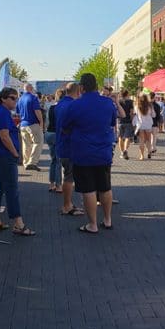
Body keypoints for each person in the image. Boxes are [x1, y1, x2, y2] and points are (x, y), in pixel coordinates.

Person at [59, 73, 117, 234]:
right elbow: (112, 123)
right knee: (105, 187)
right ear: (97, 86)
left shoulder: (75, 105)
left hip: (83, 153)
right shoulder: (108, 103)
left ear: (82, 88)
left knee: (89, 190)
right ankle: (107, 219)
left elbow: (65, 127)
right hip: (104, 152)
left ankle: (92, 224)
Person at [0, 87, 34, 236]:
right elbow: (4, 136)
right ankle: (18, 223)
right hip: (5, 156)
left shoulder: (1, 112)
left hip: (1, 156)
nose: (16, 100)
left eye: (17, 98)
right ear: (3, 98)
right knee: (12, 190)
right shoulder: (2, 113)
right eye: (13, 98)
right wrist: (15, 153)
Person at [55, 82, 84, 216]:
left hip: (62, 145)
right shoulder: (73, 105)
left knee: (68, 175)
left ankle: (69, 204)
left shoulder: (60, 104)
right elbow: (69, 127)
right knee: (69, 177)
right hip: (70, 147)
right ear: (78, 91)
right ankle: (67, 206)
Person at [17, 83, 44, 171]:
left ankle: (26, 163)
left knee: (26, 145)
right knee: (38, 142)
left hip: (23, 124)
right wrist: (41, 121)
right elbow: (37, 110)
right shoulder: (33, 98)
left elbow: (17, 112)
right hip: (33, 124)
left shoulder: (20, 99)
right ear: (31, 88)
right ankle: (32, 162)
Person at [44, 88, 64, 193]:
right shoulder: (63, 108)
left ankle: (51, 184)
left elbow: (48, 121)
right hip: (57, 135)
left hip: (49, 134)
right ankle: (59, 185)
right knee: (58, 161)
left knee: (53, 160)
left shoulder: (51, 107)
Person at [133, 93, 155, 160]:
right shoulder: (150, 106)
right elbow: (154, 115)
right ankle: (149, 152)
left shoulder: (137, 106)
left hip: (140, 125)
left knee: (141, 141)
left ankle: (142, 156)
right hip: (148, 125)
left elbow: (135, 114)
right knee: (148, 140)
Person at [117, 90, 135, 160]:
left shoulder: (119, 101)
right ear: (127, 94)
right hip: (128, 121)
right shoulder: (130, 102)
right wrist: (132, 120)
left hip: (120, 121)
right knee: (128, 137)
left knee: (120, 137)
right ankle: (125, 150)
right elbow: (131, 112)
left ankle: (122, 152)